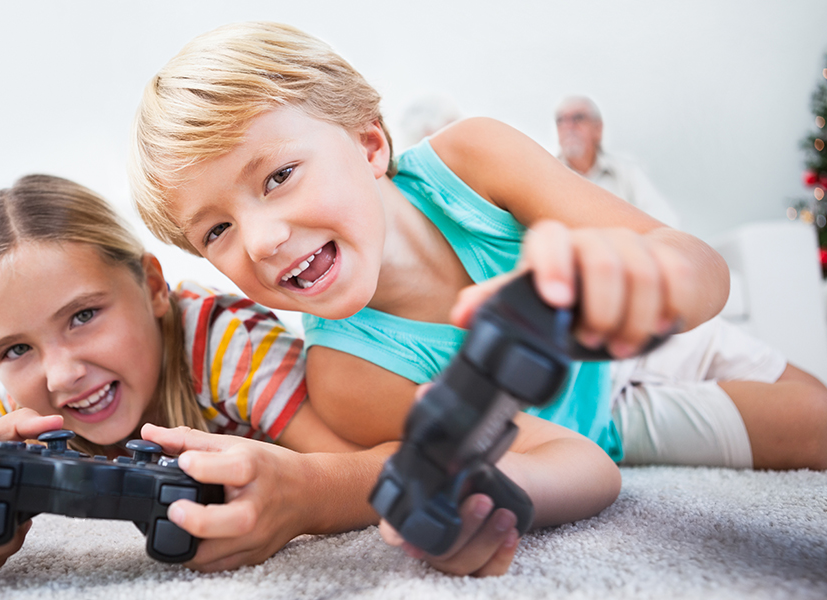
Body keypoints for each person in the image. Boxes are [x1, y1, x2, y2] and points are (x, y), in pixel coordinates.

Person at [127, 22, 827, 575]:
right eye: (216, 229)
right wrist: (491, 498)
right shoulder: (348, 376)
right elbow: (577, 462)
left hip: (663, 330)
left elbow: (700, 270)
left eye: (278, 175)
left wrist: (645, 284)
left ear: (370, 145)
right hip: (614, 418)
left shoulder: (474, 157)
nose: (261, 239)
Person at [0, 174, 401, 578]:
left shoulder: (224, 343)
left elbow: (387, 465)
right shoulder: (26, 414)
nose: (62, 374)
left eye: (83, 316)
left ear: (153, 286)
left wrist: (305, 493)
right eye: (16, 349)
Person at [555, 96, 682, 228]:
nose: (568, 126)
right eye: (561, 120)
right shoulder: (550, 174)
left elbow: (665, 219)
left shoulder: (628, 170)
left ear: (598, 128)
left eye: (578, 118)